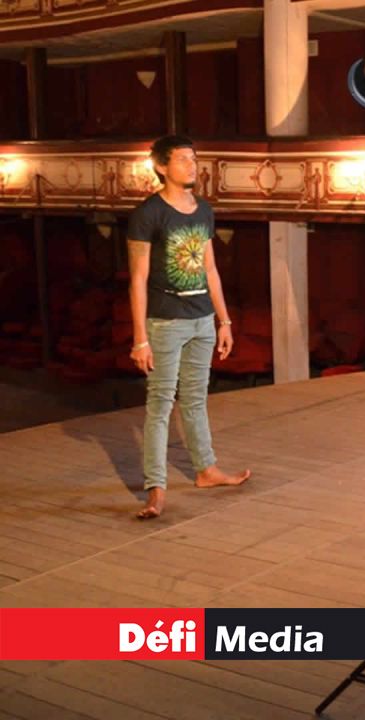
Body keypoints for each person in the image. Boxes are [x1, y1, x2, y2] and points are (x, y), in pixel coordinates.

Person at [127, 135, 250, 520]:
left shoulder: (203, 210)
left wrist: (224, 320)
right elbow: (138, 278)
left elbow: (210, 268)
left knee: (196, 400)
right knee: (161, 405)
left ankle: (206, 470)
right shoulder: (148, 214)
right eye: (182, 160)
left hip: (202, 320)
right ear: (162, 167)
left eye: (193, 159)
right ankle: (156, 489)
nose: (191, 165)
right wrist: (139, 339)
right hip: (164, 321)